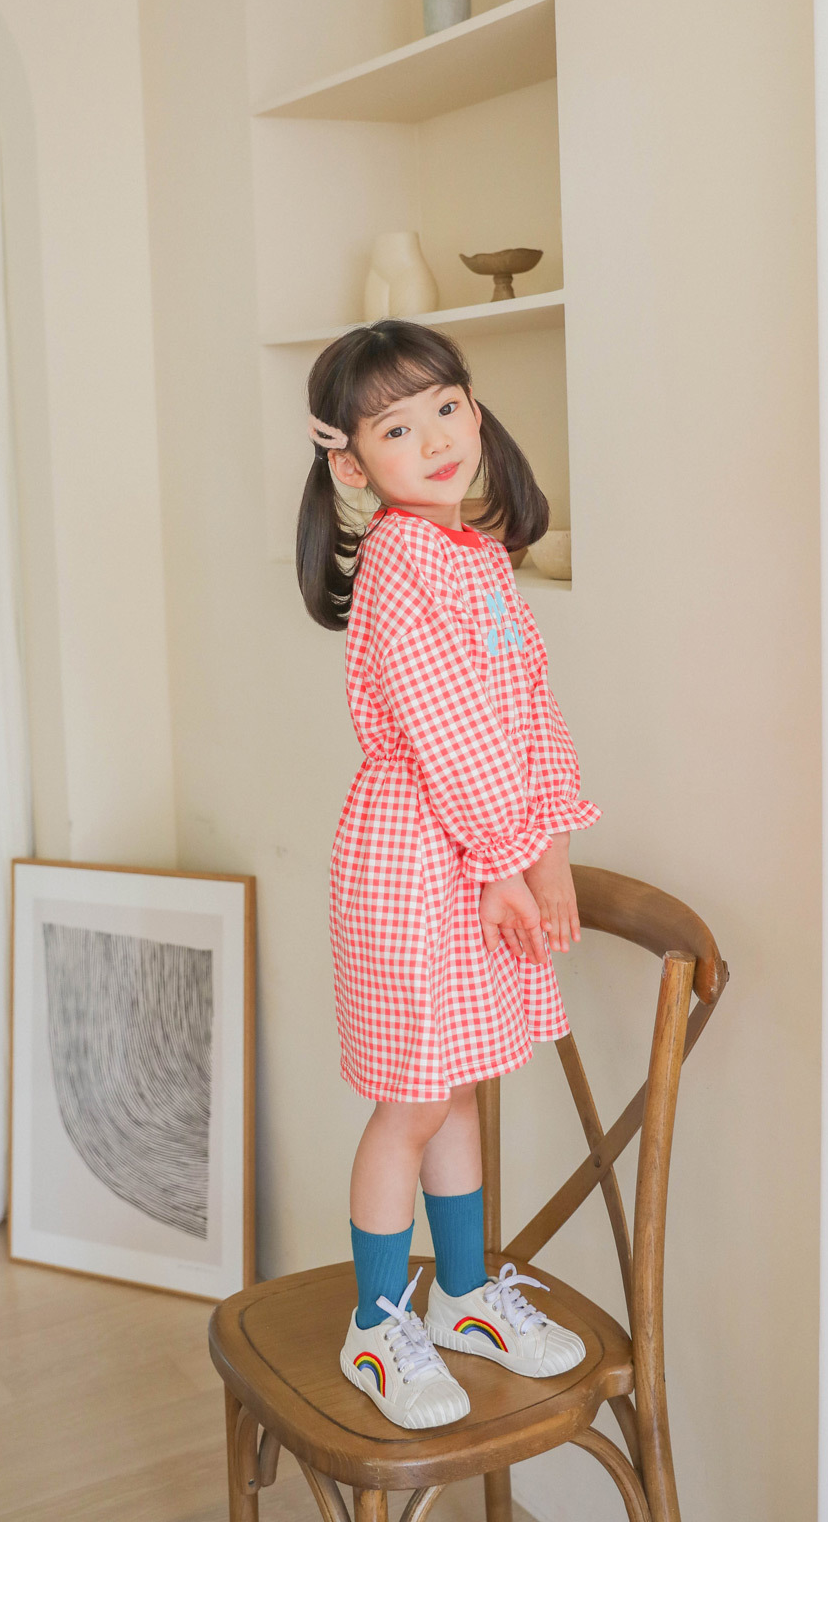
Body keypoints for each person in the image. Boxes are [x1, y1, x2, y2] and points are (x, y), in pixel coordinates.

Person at [296, 318, 601, 1430]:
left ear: (474, 409)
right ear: (350, 463)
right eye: (394, 426)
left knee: (460, 1083)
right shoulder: (399, 559)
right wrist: (503, 862)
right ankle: (380, 1322)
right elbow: (450, 736)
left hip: (475, 855)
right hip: (419, 859)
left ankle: (464, 1295)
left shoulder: (473, 554)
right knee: (415, 1100)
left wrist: (547, 849)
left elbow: (530, 712)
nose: (433, 438)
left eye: (445, 407)